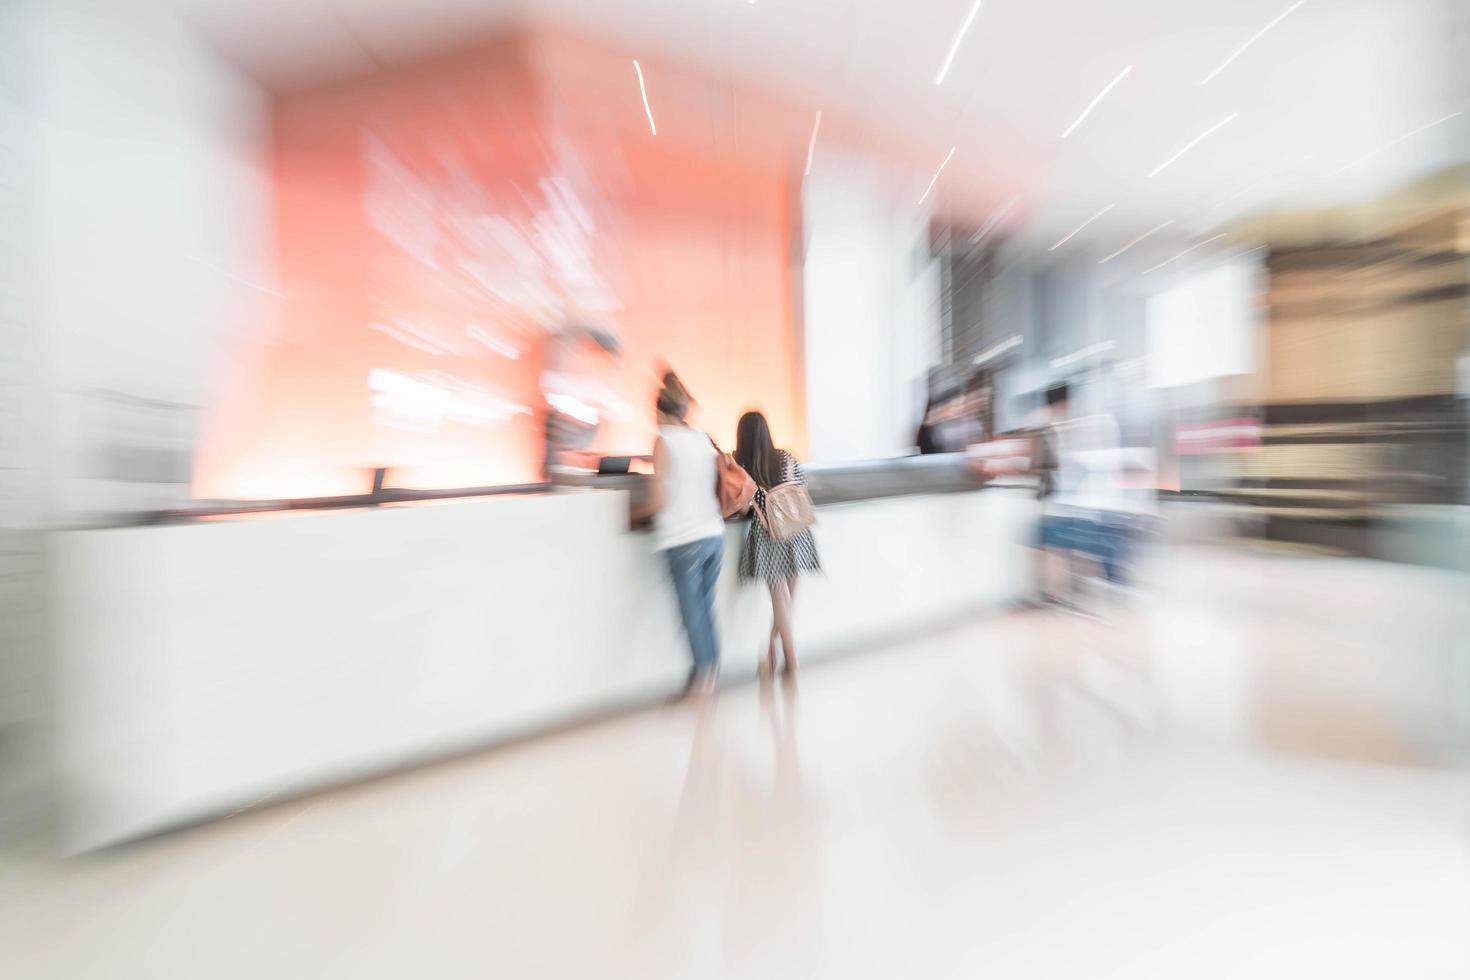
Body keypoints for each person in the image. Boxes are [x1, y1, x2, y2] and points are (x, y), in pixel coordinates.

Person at [645, 372, 725, 696]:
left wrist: (640, 511)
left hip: (683, 538)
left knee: (691, 613)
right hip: (713, 534)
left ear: (660, 411)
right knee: (705, 609)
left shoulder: (664, 440)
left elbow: (659, 498)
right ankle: (707, 674)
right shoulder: (702, 439)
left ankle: (702, 682)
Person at [734, 411, 821, 675]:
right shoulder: (785, 457)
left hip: (767, 534)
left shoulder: (742, 465)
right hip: (798, 531)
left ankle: (791, 660)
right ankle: (775, 647)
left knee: (779, 599)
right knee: (787, 598)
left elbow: (741, 507)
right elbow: (802, 486)